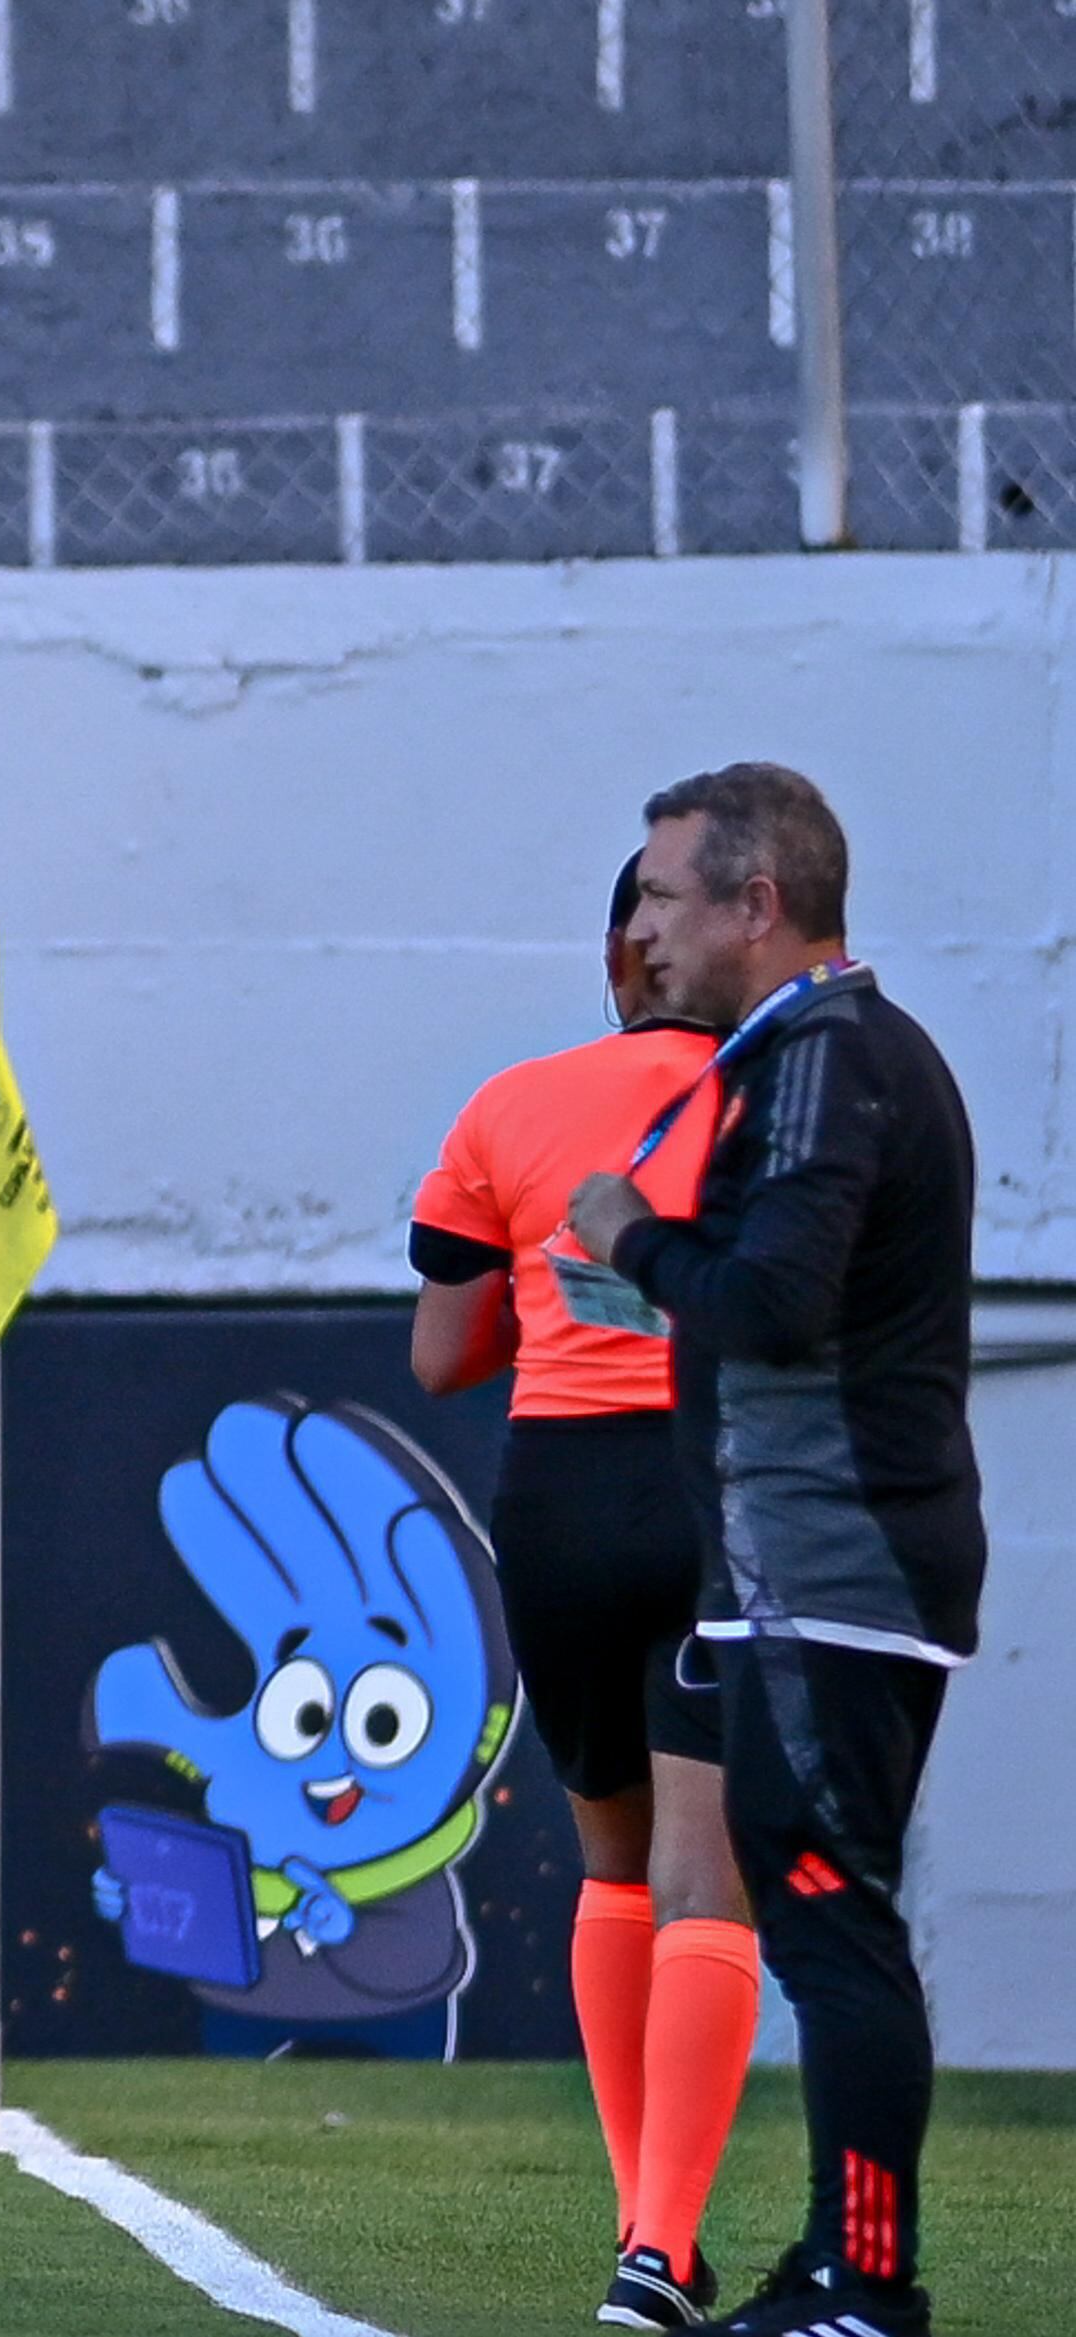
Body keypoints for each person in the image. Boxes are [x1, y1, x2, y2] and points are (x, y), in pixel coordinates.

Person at [568, 765, 985, 2337]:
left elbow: (773, 1305)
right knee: (819, 1918)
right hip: (808, 1569)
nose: (644, 926)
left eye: (667, 894)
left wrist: (633, 1242)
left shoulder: (822, 1055)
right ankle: (838, 2263)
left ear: (758, 906)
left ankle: (869, 2290)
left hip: (840, 1569)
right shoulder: (819, 1051)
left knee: (829, 1922)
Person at [410, 853, 760, 2329]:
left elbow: (442, 1356)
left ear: (618, 958)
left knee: (615, 1869)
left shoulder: (508, 1103)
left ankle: (646, 2233)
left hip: (554, 1497)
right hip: (714, 1490)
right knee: (709, 1880)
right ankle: (658, 2246)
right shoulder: (782, 1099)